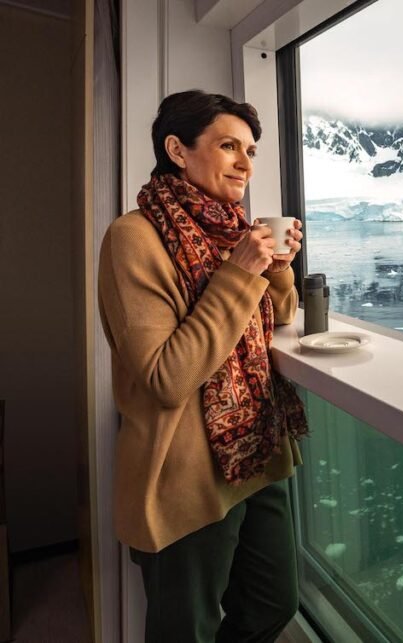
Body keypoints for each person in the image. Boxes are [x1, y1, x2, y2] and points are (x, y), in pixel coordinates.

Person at [98, 90, 309, 643]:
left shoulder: (230, 231)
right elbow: (166, 378)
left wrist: (278, 268)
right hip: (185, 475)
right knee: (183, 630)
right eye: (228, 146)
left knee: (273, 605)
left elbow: (274, 317)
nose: (246, 163)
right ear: (177, 149)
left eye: (252, 150)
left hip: (257, 454)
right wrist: (241, 273)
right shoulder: (133, 238)